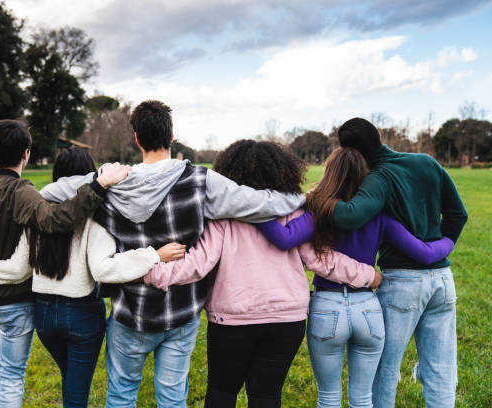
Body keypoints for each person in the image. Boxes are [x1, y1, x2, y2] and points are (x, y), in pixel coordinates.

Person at [41, 101, 306, 408]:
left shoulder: (111, 183)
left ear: (137, 138)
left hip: (130, 309)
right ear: (171, 136)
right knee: (172, 397)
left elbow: (50, 193)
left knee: (122, 393)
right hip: (180, 310)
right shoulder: (201, 181)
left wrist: (100, 179)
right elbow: (262, 204)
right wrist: (300, 197)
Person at [144, 140, 381, 408]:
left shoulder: (224, 215)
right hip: (287, 320)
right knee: (266, 395)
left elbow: (198, 263)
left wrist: (150, 271)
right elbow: (321, 260)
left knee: (222, 391)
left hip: (232, 319)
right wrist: (367, 275)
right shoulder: (294, 212)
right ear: (284, 170)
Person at [0, 147, 186, 408]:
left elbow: (17, 269)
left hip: (44, 315)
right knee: (76, 394)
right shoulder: (95, 214)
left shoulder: (37, 211)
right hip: (81, 316)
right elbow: (103, 270)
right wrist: (153, 255)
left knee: (71, 381)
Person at [0, 120, 130, 408]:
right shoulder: (20, 191)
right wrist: (97, 186)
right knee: (10, 376)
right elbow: (55, 220)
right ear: (26, 154)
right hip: (16, 302)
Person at [256, 147, 455, 408]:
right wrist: (449, 240)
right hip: (368, 310)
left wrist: (253, 210)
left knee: (328, 397)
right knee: (363, 399)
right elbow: (424, 253)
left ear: (329, 173)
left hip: (328, 307)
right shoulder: (379, 215)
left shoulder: (316, 209)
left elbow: (286, 238)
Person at [332, 118, 468, 408]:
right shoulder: (426, 162)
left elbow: (349, 216)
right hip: (443, 279)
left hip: (402, 284)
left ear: (352, 153)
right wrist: (441, 248)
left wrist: (318, 198)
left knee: (383, 367)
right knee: (441, 368)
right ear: (378, 136)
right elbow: (458, 214)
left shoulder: (379, 177)